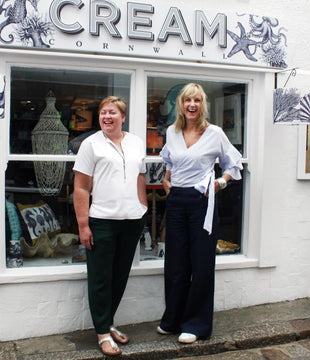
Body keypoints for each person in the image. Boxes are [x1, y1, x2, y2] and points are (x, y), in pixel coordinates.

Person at [156, 83, 243, 344]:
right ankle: (173, 319)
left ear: (202, 104)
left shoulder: (214, 133)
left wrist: (221, 182)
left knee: (201, 263)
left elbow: (233, 161)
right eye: (187, 100)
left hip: (202, 201)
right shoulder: (172, 132)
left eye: (196, 100)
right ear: (180, 104)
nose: (191, 105)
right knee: (175, 263)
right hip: (176, 201)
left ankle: (196, 324)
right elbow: (170, 160)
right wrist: (166, 180)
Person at [73, 96, 148, 356]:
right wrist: (84, 225)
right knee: (100, 279)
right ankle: (102, 333)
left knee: (119, 276)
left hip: (132, 220)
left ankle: (109, 322)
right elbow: (81, 188)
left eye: (112, 113)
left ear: (123, 117)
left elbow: (140, 176)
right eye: (103, 112)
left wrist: (143, 207)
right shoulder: (90, 144)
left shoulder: (137, 142)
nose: (107, 117)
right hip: (102, 221)